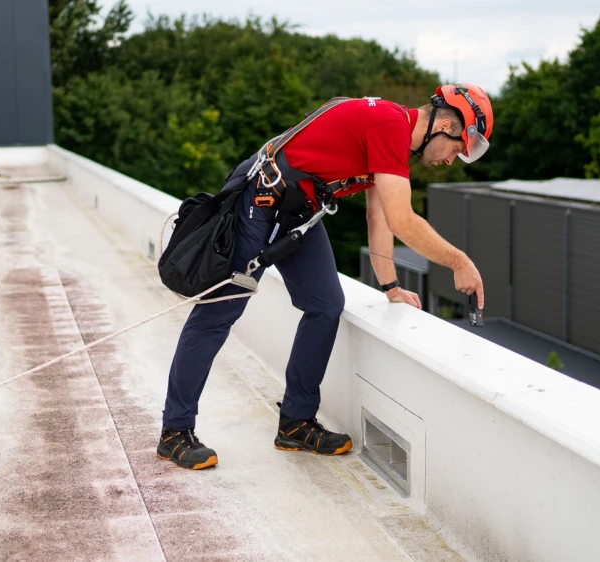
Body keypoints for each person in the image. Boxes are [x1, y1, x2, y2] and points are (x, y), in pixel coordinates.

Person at [156, 84, 492, 469]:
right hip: (264, 203)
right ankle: (174, 431)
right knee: (217, 313)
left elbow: (379, 218)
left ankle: (296, 422)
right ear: (446, 124)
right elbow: (403, 221)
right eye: (456, 149)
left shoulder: (392, 139)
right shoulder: (389, 124)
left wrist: (390, 286)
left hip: (298, 211)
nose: (451, 160)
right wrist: (459, 261)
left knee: (326, 305)